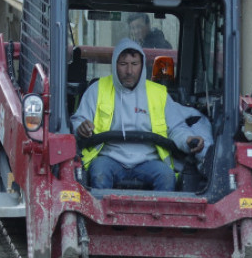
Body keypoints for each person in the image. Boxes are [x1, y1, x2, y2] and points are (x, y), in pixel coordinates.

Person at [72, 38, 204, 191]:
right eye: (123, 64)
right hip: (109, 158)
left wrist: (188, 139)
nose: (129, 71)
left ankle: (160, 215)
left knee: (166, 177)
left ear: (142, 66)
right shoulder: (97, 89)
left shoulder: (158, 94)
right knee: (99, 174)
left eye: (134, 64)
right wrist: (80, 128)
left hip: (149, 160)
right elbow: (78, 120)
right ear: (115, 65)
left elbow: (176, 128)